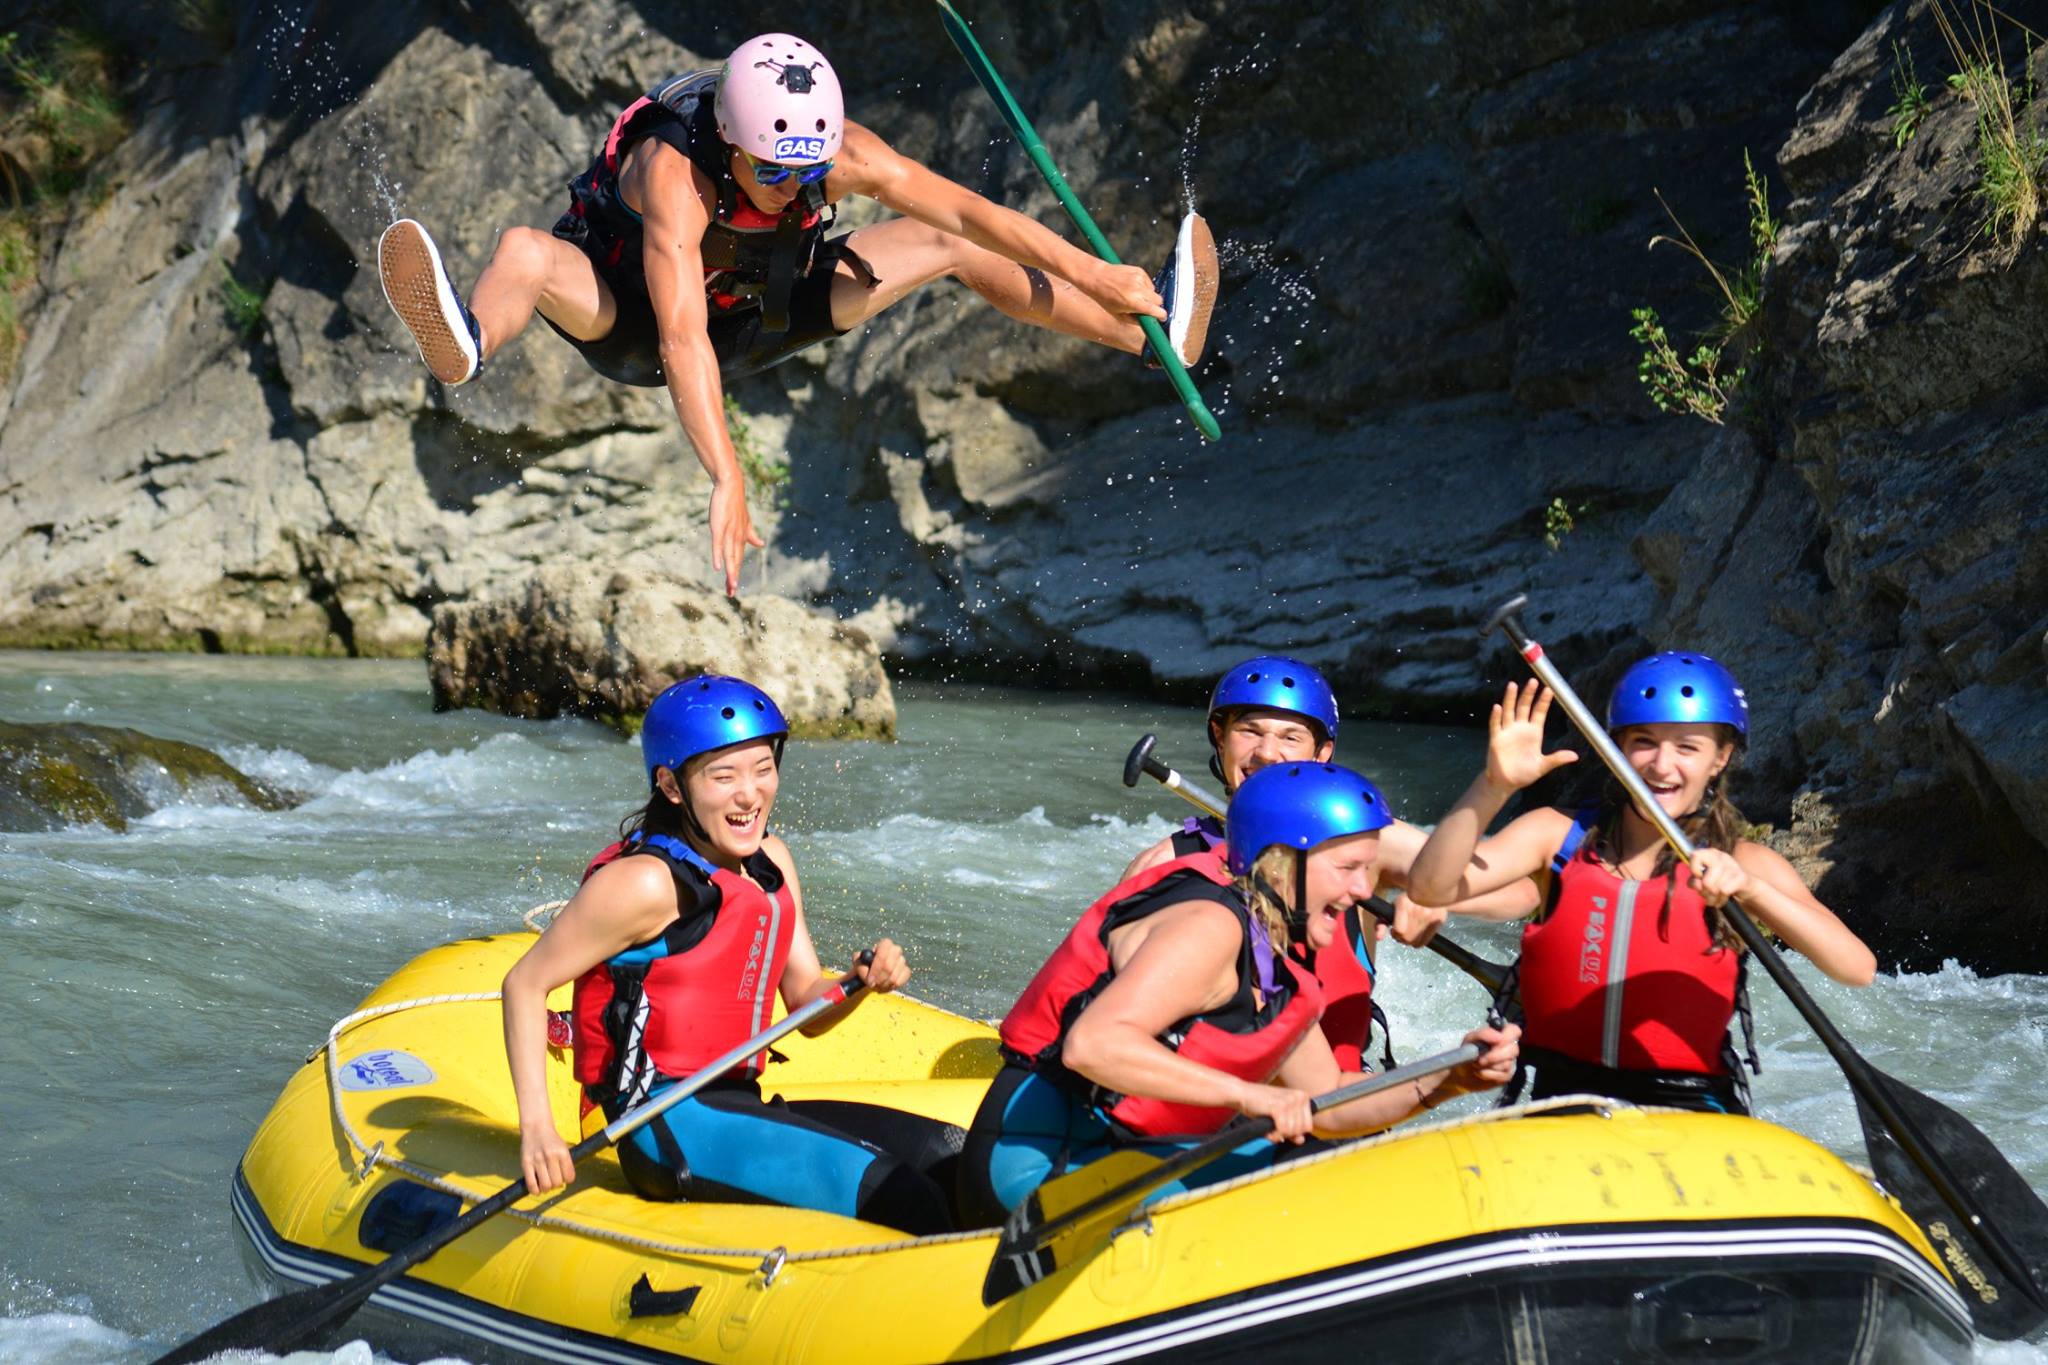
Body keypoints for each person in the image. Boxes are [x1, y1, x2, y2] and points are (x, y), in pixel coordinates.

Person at [378, 33, 1219, 596]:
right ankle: (470, 340)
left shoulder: (840, 153)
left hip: (770, 311)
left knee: (946, 242)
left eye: (806, 171)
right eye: (773, 171)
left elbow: (974, 213)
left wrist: (1098, 274)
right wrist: (726, 474)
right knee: (526, 250)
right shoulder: (675, 176)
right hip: (634, 323)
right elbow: (680, 336)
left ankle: (1147, 339)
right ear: (732, 142)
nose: (794, 187)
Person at [957, 761, 1519, 1226]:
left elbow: (1328, 1101)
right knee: (1309, 1187)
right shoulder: (1210, 926)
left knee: (1332, 1159)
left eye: (1368, 871)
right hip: (1036, 1163)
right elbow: (1095, 1046)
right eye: (1348, 868)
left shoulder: (1281, 972)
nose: (1361, 890)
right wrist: (1252, 1097)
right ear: (1282, 862)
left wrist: (1449, 1079)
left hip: (1113, 1157)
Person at [500, 674, 955, 1232]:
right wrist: (538, 1129)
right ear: (671, 786)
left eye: (763, 769)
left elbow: (806, 1003)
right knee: (907, 1199)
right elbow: (525, 983)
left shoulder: (772, 864)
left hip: (737, 1104)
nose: (750, 794)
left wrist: (861, 980)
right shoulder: (645, 883)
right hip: (665, 1123)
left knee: (952, 1157)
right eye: (724, 776)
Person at [1405, 655, 1877, 1113]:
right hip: (1564, 1098)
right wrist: (1494, 785)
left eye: (1687, 747)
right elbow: (1429, 888)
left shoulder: (1744, 862)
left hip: (1691, 1105)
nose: (1661, 765)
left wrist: (1752, 890)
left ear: (1721, 758)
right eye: (1644, 742)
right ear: (1616, 748)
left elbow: (1856, 968)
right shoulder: (1555, 835)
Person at [1120, 654, 1540, 1070]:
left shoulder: (1368, 842)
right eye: (1249, 731)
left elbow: (1520, 893)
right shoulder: (1163, 864)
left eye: (1290, 738)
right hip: (1214, 1090)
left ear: (1321, 753)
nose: (1267, 753)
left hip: (1345, 1092)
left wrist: (1434, 893)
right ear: (1220, 736)